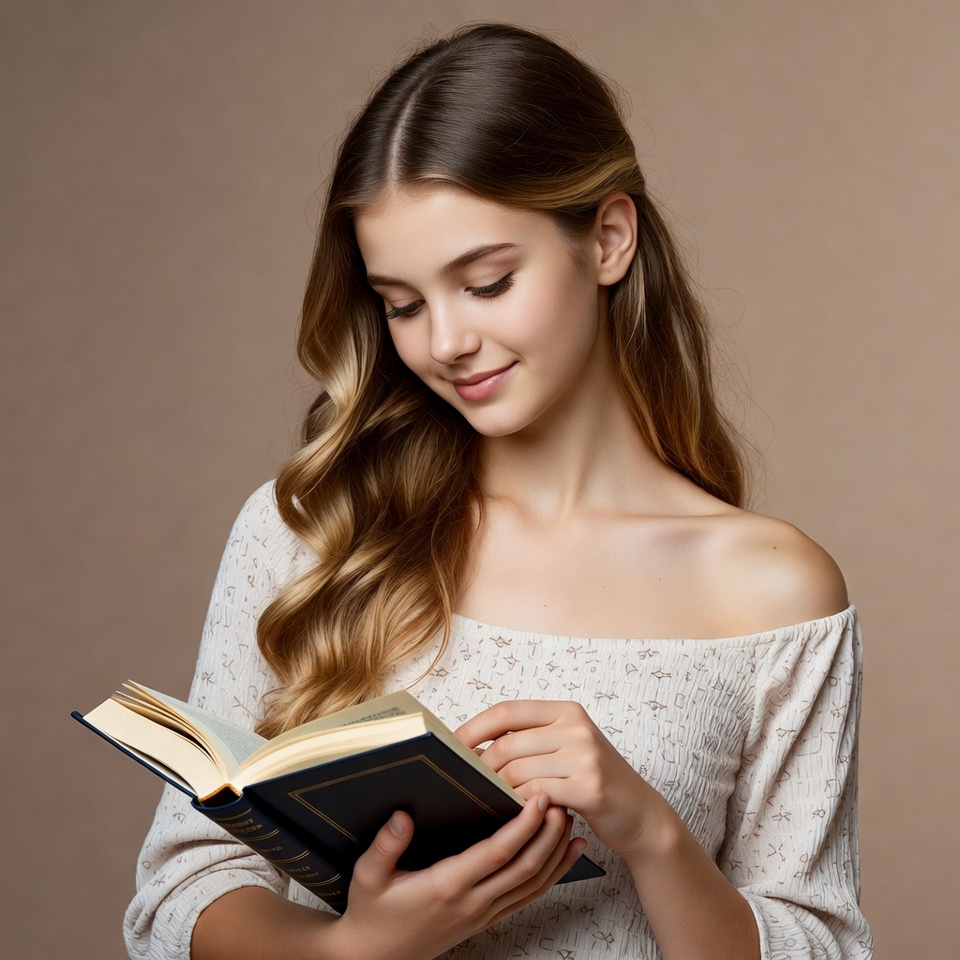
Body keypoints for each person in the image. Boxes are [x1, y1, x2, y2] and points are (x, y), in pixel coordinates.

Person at [124, 22, 872, 960]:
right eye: (402, 304)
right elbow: (182, 888)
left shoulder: (770, 592)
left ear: (608, 239)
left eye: (486, 283)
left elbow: (824, 944)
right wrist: (354, 950)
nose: (445, 342)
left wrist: (652, 834)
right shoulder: (316, 531)